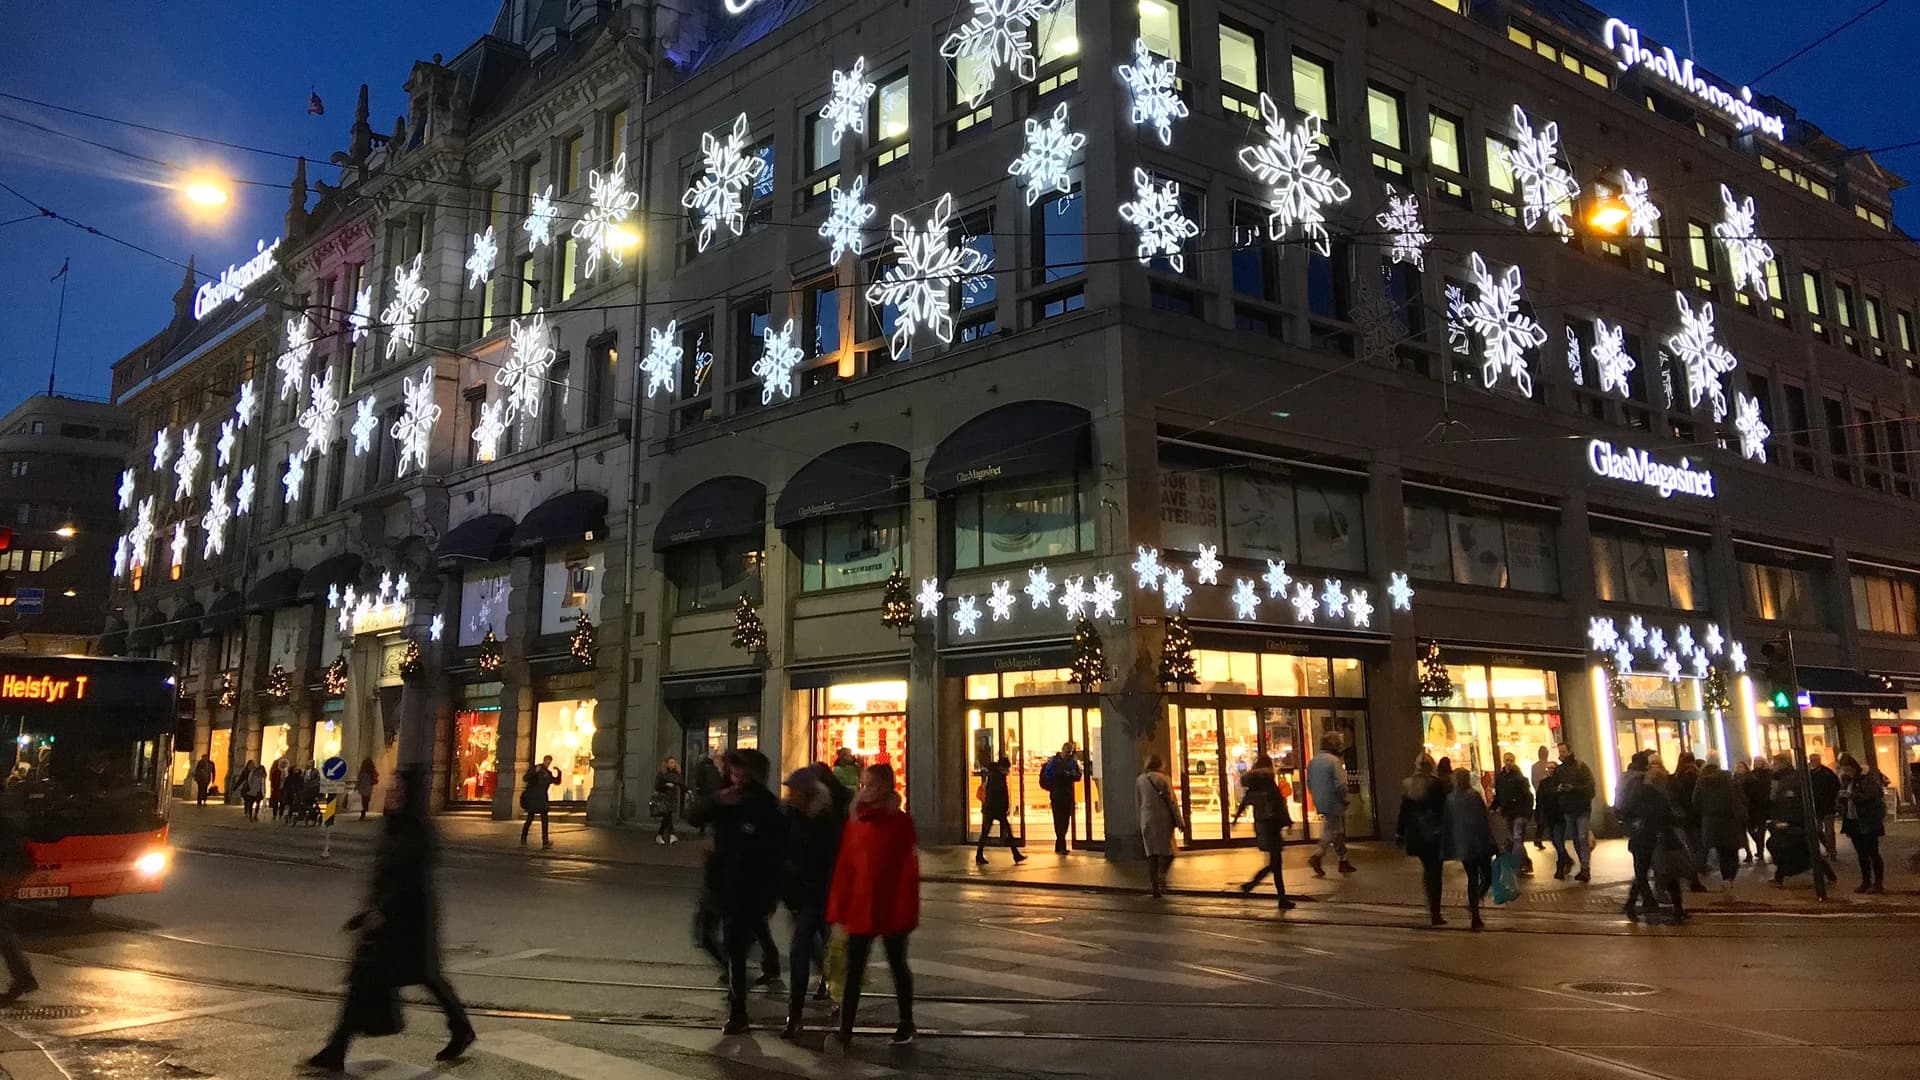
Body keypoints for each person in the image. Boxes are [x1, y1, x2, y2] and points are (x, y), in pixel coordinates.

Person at [307, 767, 474, 1070]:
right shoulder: (393, 825)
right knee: (386, 978)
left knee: (405, 977)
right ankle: (337, 1048)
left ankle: (337, 1047)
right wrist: (368, 911)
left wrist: (380, 910)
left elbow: (408, 878)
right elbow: (383, 873)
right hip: (389, 918)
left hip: (407, 921)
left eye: (399, 788)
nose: (392, 792)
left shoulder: (418, 830)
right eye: (392, 787)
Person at [689, 749, 786, 1034]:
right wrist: (716, 800)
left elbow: (777, 854)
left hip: (747, 888)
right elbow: (694, 816)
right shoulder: (723, 795)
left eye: (741, 771)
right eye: (733, 770)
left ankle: (739, 1009)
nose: (736, 776)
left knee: (736, 945)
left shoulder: (765, 805)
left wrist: (769, 894)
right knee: (706, 935)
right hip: (718, 883)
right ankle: (739, 983)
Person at [827, 762, 920, 1050]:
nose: (863, 790)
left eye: (870, 785)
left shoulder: (900, 822)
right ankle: (845, 1029)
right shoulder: (856, 821)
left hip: (891, 904)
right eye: (862, 785)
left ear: (885, 788)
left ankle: (906, 1022)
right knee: (854, 968)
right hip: (862, 905)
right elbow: (846, 865)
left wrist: (906, 908)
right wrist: (839, 906)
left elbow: (908, 869)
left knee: (896, 964)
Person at [778, 766, 842, 1037]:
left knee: (816, 951)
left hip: (823, 896)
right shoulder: (791, 815)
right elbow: (784, 852)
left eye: (793, 790)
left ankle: (836, 1002)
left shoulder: (826, 821)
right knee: (808, 950)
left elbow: (834, 861)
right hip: (802, 896)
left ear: (807, 793)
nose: (789, 794)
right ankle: (797, 1012)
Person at [1232, 753, 1293, 909]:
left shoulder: (1254, 785)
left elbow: (1245, 803)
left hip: (1261, 825)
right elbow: (1279, 803)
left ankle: (1252, 886)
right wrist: (1288, 821)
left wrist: (1235, 820)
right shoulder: (1269, 783)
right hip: (1272, 825)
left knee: (1274, 862)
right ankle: (1280, 898)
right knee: (1276, 863)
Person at [1395, 753, 1449, 927]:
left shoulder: (1409, 785)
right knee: (1436, 872)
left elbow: (1404, 811)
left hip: (1416, 835)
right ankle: (1435, 910)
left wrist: (1400, 833)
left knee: (1427, 870)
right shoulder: (1436, 784)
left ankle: (1430, 904)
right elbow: (1444, 810)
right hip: (1434, 834)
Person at [1443, 767, 1497, 930]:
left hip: (1464, 845)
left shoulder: (1450, 799)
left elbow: (1448, 824)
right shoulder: (1474, 796)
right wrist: (1492, 841)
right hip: (1479, 843)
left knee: (1472, 878)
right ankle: (1475, 909)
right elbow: (1483, 822)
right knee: (1486, 877)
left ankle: (1475, 913)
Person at [1621, 761, 1675, 921]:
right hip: (1652, 839)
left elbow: (1626, 811)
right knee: (1665, 872)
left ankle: (1634, 903)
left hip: (1641, 839)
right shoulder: (1658, 796)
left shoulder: (1639, 793)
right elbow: (1665, 818)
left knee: (1642, 873)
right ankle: (1671, 907)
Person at [0, 788, 35, 1003]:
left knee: (2, 929)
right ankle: (23, 977)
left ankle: (23, 977)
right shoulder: (10, 798)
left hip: (5, 867)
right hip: (11, 867)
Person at [1305, 732, 1355, 877]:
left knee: (1337, 830)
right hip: (1334, 799)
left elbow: (1309, 782)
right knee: (1332, 829)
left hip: (1320, 799)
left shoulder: (1313, 761)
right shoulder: (1333, 761)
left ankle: (1343, 860)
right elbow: (1340, 784)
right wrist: (1345, 797)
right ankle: (1318, 855)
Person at [1836, 754, 1887, 893]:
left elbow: (1871, 797)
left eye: (1848, 769)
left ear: (1853, 767)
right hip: (1853, 821)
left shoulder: (1866, 779)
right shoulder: (1848, 781)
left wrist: (1851, 796)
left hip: (1867, 821)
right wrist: (1841, 799)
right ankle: (1866, 881)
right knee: (1861, 854)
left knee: (1872, 852)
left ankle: (1878, 883)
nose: (1846, 772)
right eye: (1844, 770)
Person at [1692, 756, 1745, 887]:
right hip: (1730, 820)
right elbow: (1740, 797)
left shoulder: (1701, 781)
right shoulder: (1729, 779)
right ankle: (1730, 878)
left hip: (1711, 821)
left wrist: (1705, 813)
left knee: (1721, 851)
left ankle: (1725, 877)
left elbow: (1695, 801)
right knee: (1731, 850)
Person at [1547, 744, 1596, 882]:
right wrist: (1559, 788)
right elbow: (1552, 787)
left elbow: (1590, 786)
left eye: (1563, 751)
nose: (1561, 753)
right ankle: (1584, 866)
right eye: (1560, 751)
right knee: (1576, 840)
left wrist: (1574, 789)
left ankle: (1585, 868)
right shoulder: (1559, 770)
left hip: (1582, 809)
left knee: (1581, 837)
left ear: (1570, 752)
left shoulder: (1581, 767)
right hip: (1568, 809)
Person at [1136, 755, 1184, 899]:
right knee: (1169, 851)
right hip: (1163, 820)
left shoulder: (1140, 780)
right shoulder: (1163, 779)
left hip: (1147, 820)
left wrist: (1140, 821)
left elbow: (1137, 802)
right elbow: (1172, 801)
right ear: (1160, 764)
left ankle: (1155, 885)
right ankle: (1162, 875)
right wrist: (1179, 821)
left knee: (1151, 854)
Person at [974, 754, 1023, 865]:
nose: (1008, 771)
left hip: (994, 809)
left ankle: (1015, 854)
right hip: (994, 810)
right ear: (1002, 767)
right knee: (988, 832)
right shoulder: (996, 777)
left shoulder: (996, 775)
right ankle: (979, 855)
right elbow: (995, 795)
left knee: (990, 832)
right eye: (1007, 769)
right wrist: (1002, 807)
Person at [1492, 752, 1535, 876]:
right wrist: (1495, 806)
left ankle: (1515, 865)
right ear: (1503, 761)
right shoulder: (1500, 777)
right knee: (1516, 840)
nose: (1509, 762)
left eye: (1511, 760)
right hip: (1509, 813)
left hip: (1520, 813)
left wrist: (1527, 813)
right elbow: (1499, 795)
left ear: (1514, 761)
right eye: (1507, 760)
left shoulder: (1520, 778)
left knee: (1517, 838)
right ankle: (1525, 862)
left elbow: (1528, 796)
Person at [1040, 742, 1083, 854]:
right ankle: (1061, 845)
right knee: (1059, 820)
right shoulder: (1053, 762)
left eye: (1069, 752)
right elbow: (1048, 776)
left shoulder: (1072, 762)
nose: (1068, 754)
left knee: (1065, 821)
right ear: (1063, 750)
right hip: (1057, 795)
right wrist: (1063, 776)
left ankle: (1059, 845)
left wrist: (1073, 774)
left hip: (1066, 795)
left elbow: (1078, 776)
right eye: (1067, 751)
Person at [519, 755, 559, 849]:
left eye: (549, 762)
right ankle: (523, 838)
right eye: (547, 762)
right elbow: (525, 778)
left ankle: (545, 841)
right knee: (529, 819)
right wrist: (534, 772)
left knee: (544, 820)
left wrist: (559, 772)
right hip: (533, 798)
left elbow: (556, 781)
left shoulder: (547, 772)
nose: (548, 764)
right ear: (544, 760)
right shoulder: (537, 768)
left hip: (542, 798)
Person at [1808, 753, 1841, 865]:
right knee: (1817, 829)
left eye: (1814, 760)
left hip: (1827, 806)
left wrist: (1832, 799)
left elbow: (1836, 786)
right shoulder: (1808, 773)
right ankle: (1828, 847)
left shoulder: (1827, 773)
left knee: (1829, 831)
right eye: (1811, 760)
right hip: (1816, 807)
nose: (1812, 762)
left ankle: (1832, 851)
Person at [1740, 757, 1773, 864]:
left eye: (1758, 761)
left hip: (1761, 806)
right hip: (1751, 806)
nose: (1756, 763)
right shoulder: (1750, 775)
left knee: (1761, 828)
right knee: (1751, 829)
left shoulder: (1767, 774)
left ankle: (1760, 849)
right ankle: (1760, 846)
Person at [653, 757, 685, 845]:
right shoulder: (662, 773)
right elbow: (657, 786)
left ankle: (659, 835)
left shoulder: (677, 774)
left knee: (667, 816)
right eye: (670, 762)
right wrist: (666, 785)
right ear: (667, 763)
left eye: (674, 763)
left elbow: (681, 784)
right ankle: (672, 835)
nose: (672, 764)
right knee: (668, 815)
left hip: (672, 797)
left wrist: (687, 790)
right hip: (664, 797)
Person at [1528, 746, 1553, 850]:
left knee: (1541, 819)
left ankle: (1538, 837)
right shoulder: (1550, 765)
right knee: (1549, 818)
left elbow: (1533, 781)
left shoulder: (1535, 767)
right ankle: (1548, 836)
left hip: (1540, 796)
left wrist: (1538, 790)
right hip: (1549, 796)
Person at [356, 758, 379, 822]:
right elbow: (376, 777)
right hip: (368, 788)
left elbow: (359, 779)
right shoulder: (371, 770)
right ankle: (363, 812)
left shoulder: (362, 770)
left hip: (362, 787)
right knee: (366, 801)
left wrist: (356, 786)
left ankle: (363, 813)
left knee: (363, 801)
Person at [269, 754, 289, 821]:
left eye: (285, 764)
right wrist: (272, 787)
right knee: (275, 803)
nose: (284, 765)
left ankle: (280, 814)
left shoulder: (287, 772)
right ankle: (274, 815)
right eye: (283, 763)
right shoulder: (276, 771)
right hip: (277, 789)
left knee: (282, 803)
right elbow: (273, 780)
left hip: (284, 789)